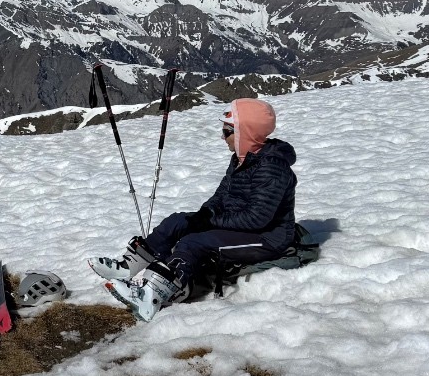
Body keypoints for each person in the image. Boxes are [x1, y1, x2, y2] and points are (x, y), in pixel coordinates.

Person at [95, 98, 297, 322]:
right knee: (177, 222)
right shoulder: (241, 159)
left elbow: (257, 218)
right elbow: (221, 195)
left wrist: (210, 221)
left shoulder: (271, 167)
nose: (222, 137)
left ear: (246, 132)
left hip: (267, 238)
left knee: (194, 242)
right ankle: (127, 268)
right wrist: (204, 214)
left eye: (227, 131)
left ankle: (151, 296)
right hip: (240, 227)